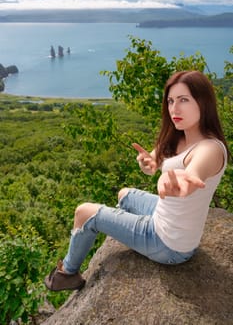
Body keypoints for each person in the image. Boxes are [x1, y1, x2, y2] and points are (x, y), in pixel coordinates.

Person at [44, 70, 230, 292]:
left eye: (183, 100)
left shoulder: (210, 149)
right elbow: (154, 162)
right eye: (170, 101)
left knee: (84, 213)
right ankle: (127, 229)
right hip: (167, 218)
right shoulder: (180, 136)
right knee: (125, 194)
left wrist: (180, 184)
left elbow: (193, 175)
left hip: (169, 245)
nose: (174, 109)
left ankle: (66, 273)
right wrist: (148, 163)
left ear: (203, 102)